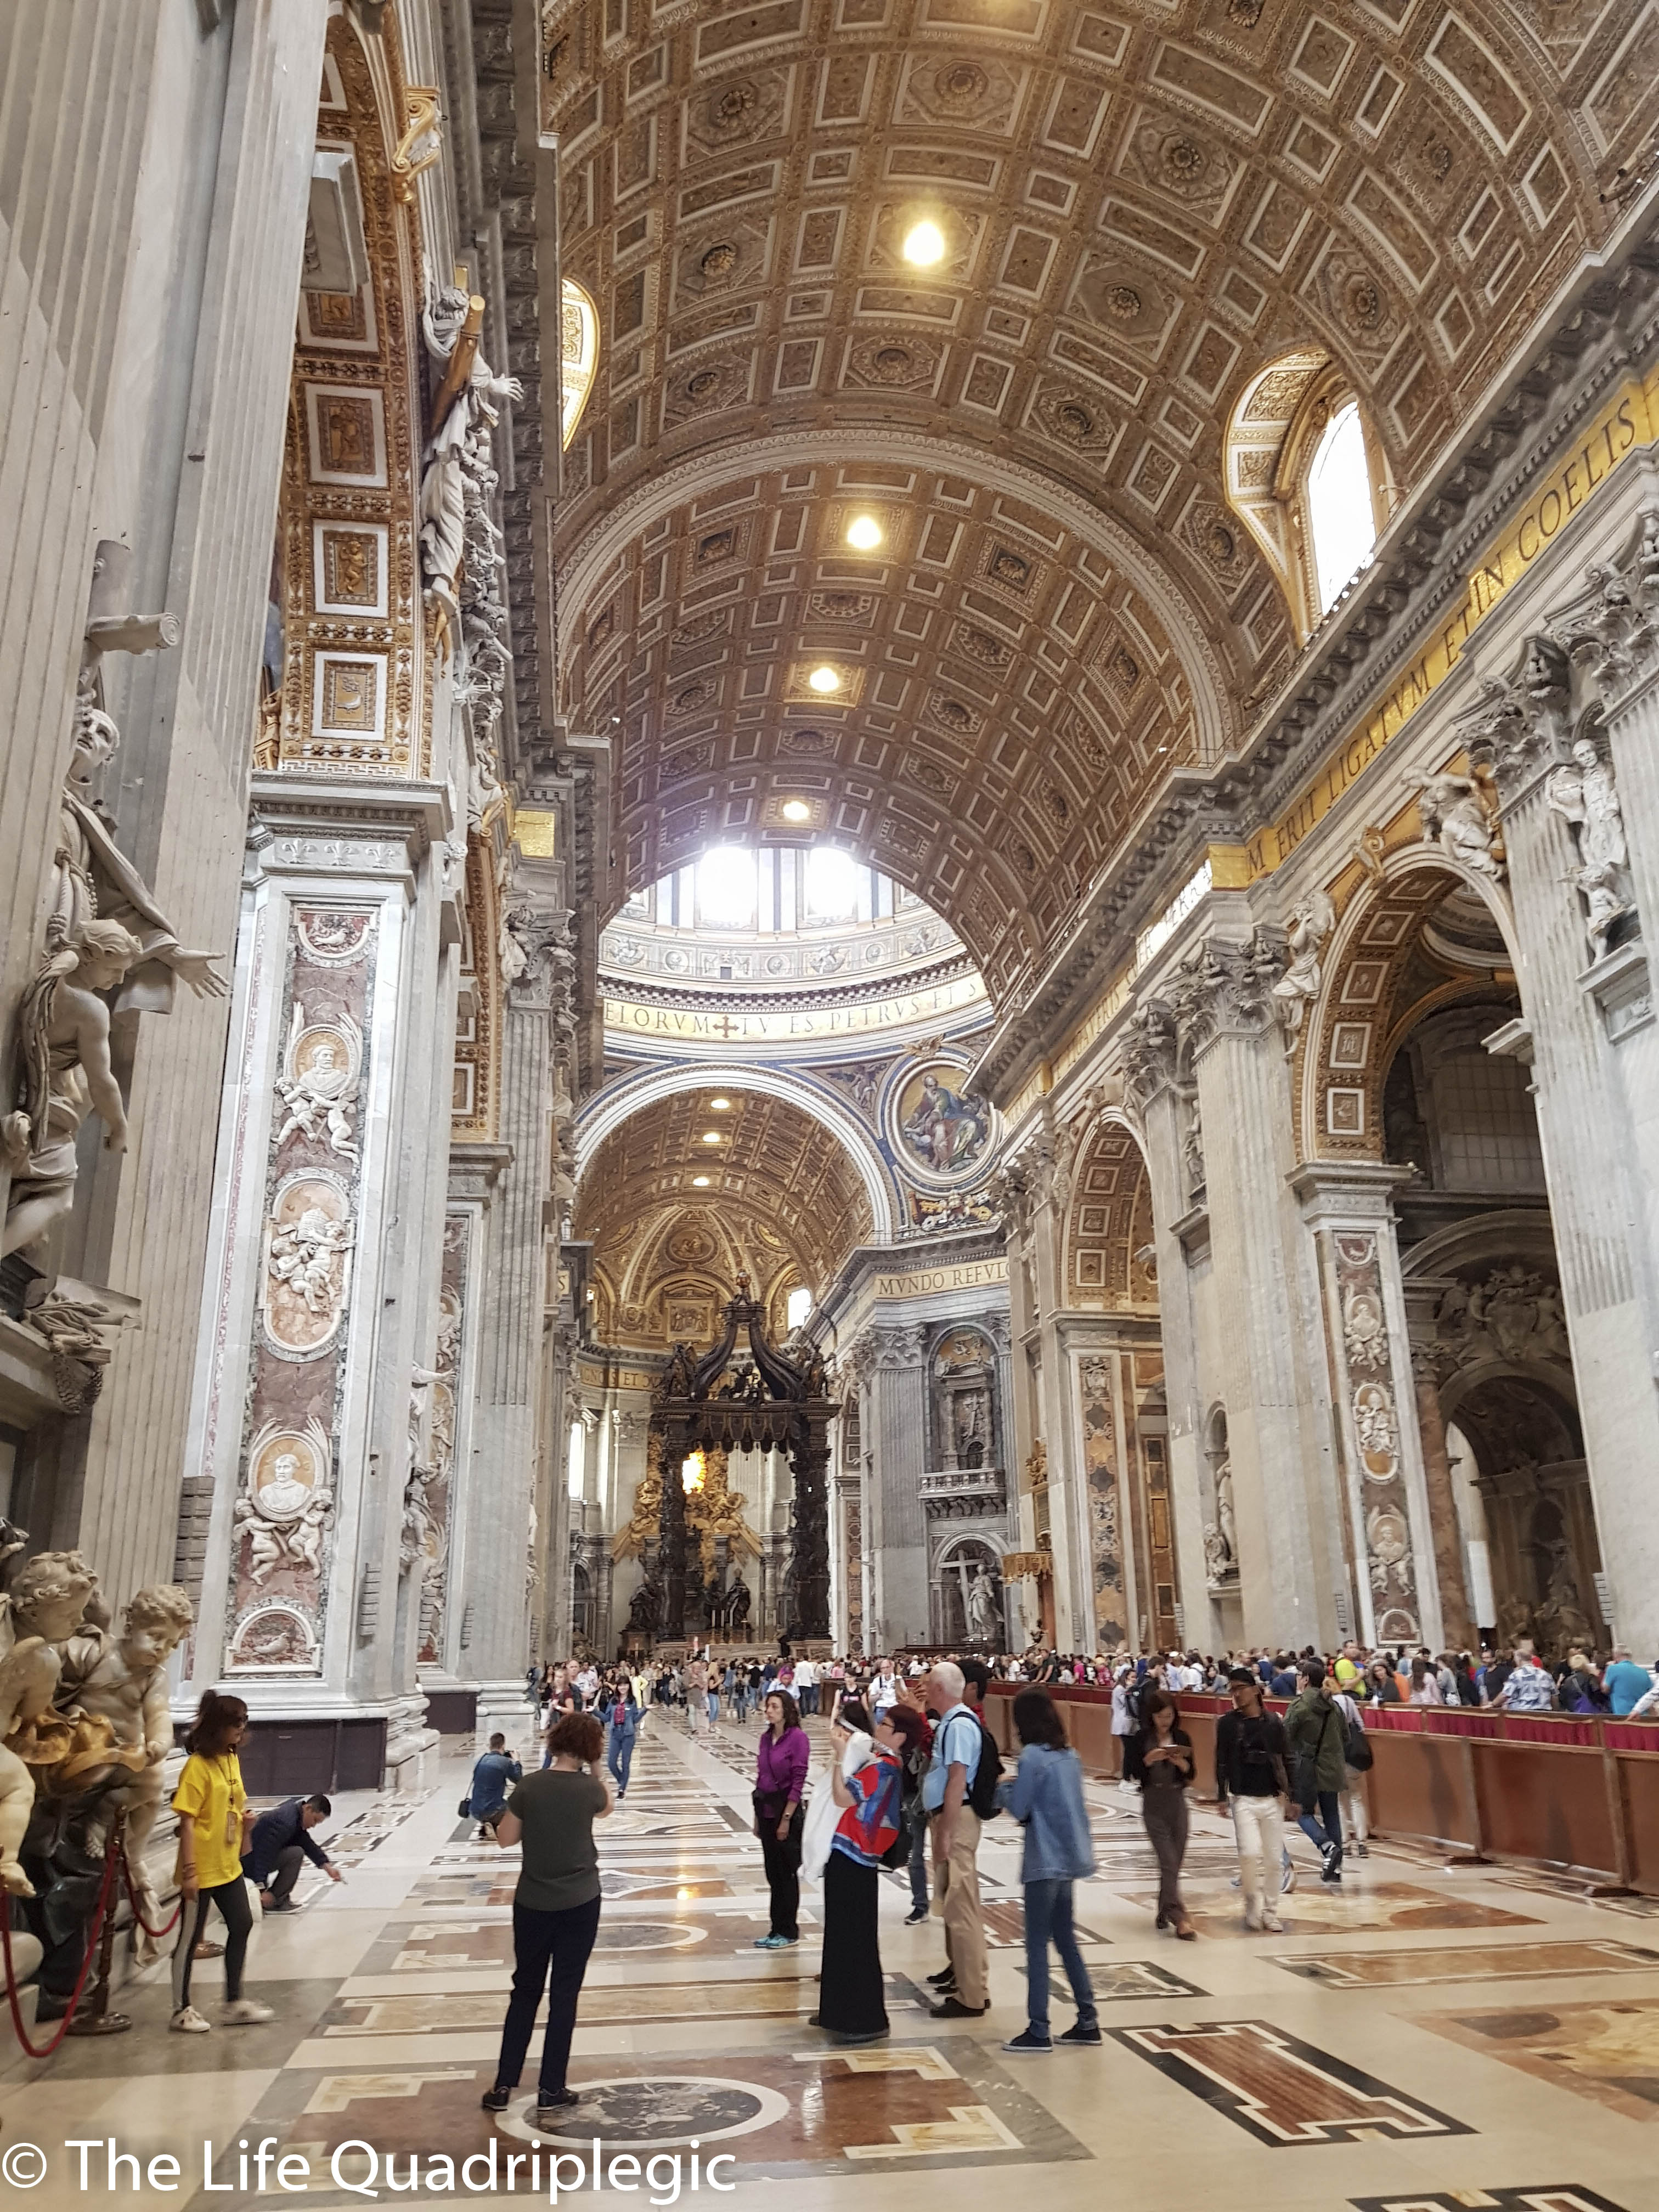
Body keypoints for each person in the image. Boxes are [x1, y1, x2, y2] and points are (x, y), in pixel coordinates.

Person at [481, 1711, 611, 2122]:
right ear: (588, 1749)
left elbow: (505, 1840)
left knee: (525, 1991)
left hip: (533, 1901)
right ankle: (551, 2087)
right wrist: (596, 1764)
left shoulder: (529, 1787)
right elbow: (607, 1807)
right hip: (581, 1900)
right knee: (564, 1995)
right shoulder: (589, 1789)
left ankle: (504, 2084)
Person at [994, 1687, 1099, 2051]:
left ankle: (1038, 2028)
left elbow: (1021, 1809)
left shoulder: (1032, 1758)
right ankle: (1088, 2019)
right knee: (1066, 1938)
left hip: (1044, 1859)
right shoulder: (1070, 1755)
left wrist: (1003, 1788)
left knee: (1037, 1944)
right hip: (1069, 1857)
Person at [813, 1701, 917, 2044]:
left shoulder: (885, 1767)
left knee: (854, 1939)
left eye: (886, 1724)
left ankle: (863, 2019)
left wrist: (842, 1754)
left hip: (857, 1857)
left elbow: (844, 1797)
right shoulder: (881, 1764)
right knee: (841, 1936)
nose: (879, 1728)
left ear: (900, 1736)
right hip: (849, 1853)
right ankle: (837, 2010)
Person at [170, 1691, 272, 2034]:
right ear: (218, 1727)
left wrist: (247, 1830)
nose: (241, 1731)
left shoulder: (230, 1760)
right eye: (235, 1724)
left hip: (228, 1865)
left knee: (241, 1925)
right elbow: (187, 1822)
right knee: (190, 1940)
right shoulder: (196, 1767)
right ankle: (181, 2008)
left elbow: (232, 1808)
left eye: (244, 1723)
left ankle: (233, 2001)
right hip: (201, 1867)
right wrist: (189, 1872)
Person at [922, 1660, 990, 2019]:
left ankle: (972, 1996)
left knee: (962, 1909)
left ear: (940, 1690)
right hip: (951, 1818)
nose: (925, 1689)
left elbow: (957, 1780)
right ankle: (970, 1982)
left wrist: (945, 1834)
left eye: (929, 1685)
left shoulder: (960, 1725)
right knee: (958, 1904)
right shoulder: (951, 1723)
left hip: (957, 1820)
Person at [1215, 1665, 1291, 1933]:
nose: (1236, 1695)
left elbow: (1286, 1758)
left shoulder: (1273, 1723)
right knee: (1249, 1853)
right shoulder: (1227, 1724)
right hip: (1242, 1797)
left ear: (1256, 1691)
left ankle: (1271, 1910)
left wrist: (1293, 1795)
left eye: (1240, 1689)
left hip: (1272, 1797)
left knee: (1273, 1858)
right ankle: (1252, 1904)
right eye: (1232, 1690)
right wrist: (1221, 1796)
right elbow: (1221, 1761)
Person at [1125, 1687, 1195, 1939]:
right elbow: (1131, 1770)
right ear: (1151, 1716)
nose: (1165, 1722)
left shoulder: (1182, 1736)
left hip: (1177, 1801)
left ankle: (1164, 1907)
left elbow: (1191, 1772)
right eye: (1160, 1717)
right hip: (1153, 1802)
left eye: (1169, 1716)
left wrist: (1181, 1763)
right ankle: (1180, 1916)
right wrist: (1148, 1760)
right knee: (1168, 1860)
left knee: (1176, 1861)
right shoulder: (1142, 1738)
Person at [753, 1689, 810, 1948]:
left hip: (786, 1808)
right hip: (765, 1809)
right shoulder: (766, 1739)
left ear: (786, 1710)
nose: (769, 1711)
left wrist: (786, 1818)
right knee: (772, 1873)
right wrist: (757, 1817)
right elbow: (760, 1776)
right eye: (768, 1707)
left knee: (786, 1872)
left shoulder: (797, 1739)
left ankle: (789, 1930)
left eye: (774, 1707)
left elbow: (798, 1781)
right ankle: (775, 1928)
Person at [1285, 1661, 1346, 1882]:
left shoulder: (1299, 1706)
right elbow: (1346, 1737)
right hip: (1333, 1767)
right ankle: (1336, 1868)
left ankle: (1327, 1846)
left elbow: (1286, 1737)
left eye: (1299, 1675)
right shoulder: (1334, 1707)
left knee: (1301, 1812)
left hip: (1307, 1768)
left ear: (1306, 1679)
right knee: (1332, 1814)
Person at [244, 1792, 342, 1910]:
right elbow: (263, 1854)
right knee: (296, 1854)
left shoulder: (294, 1816)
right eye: (315, 1820)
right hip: (249, 1863)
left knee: (297, 1851)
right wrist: (260, 1889)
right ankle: (275, 1902)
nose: (313, 1825)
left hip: (254, 1859)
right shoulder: (284, 1822)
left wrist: (328, 1868)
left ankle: (276, 1898)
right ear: (308, 1808)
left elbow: (307, 1844)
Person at [894, 1675, 935, 1925]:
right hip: (912, 1793)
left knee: (946, 1855)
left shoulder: (940, 1718)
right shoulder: (908, 1719)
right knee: (916, 1854)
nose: (919, 1689)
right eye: (917, 1684)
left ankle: (949, 1901)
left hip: (935, 1793)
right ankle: (920, 1903)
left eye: (925, 1684)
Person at [467, 1734, 523, 1839]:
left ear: (490, 1746)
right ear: (503, 1747)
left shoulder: (479, 1760)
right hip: (494, 1809)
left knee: (490, 1799)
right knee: (518, 1812)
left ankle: (487, 1825)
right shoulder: (504, 1762)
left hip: (475, 1809)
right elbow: (520, 1780)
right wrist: (517, 1762)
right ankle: (495, 1825)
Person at [1496, 1640, 1556, 1710]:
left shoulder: (1516, 1676)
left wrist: (1493, 1704)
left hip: (1526, 1714)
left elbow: (1505, 1695)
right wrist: (1555, 1712)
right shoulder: (1546, 1675)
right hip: (1545, 1714)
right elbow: (1554, 1696)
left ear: (1519, 1659)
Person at [605, 1681, 640, 1797]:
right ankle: (622, 1781)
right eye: (620, 1685)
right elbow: (606, 1718)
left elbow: (635, 1719)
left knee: (626, 1763)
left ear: (629, 1686)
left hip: (628, 1735)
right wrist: (594, 1711)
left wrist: (645, 1710)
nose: (623, 1688)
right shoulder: (613, 1701)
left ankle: (622, 1789)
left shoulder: (632, 1701)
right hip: (615, 1734)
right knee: (611, 1763)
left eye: (625, 1685)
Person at [1605, 1646, 1656, 1716]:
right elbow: (1651, 1695)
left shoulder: (1612, 1669)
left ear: (1615, 1655)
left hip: (1623, 1715)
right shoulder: (1643, 1672)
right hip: (1643, 1715)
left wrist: (1607, 1670)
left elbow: (1605, 1689)